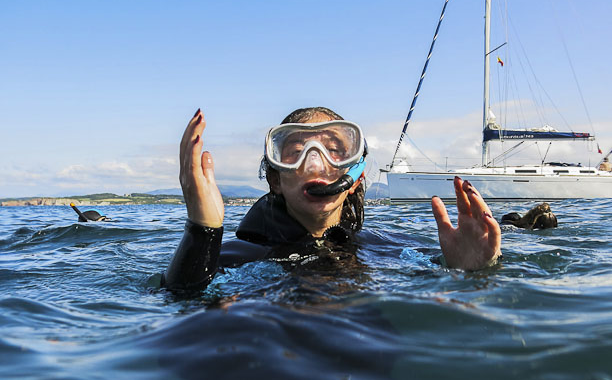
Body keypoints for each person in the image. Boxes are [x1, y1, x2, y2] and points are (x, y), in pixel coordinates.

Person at [162, 107, 502, 291]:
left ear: (353, 180)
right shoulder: (234, 256)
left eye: (335, 151)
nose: (316, 164)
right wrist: (202, 230)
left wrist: (470, 271)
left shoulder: (389, 248)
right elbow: (181, 298)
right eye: (296, 152)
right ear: (276, 180)